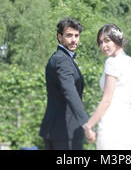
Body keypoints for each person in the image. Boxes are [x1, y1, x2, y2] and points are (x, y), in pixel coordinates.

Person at [83, 24, 131, 150]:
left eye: (107, 41)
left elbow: (106, 101)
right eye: (100, 42)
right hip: (129, 121)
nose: (103, 46)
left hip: (111, 122)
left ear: (117, 39)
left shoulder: (112, 62)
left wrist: (88, 126)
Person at [39, 17, 96, 150]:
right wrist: (86, 123)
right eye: (69, 35)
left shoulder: (61, 58)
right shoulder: (62, 60)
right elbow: (70, 91)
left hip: (59, 130)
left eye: (76, 36)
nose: (74, 40)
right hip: (64, 131)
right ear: (60, 37)